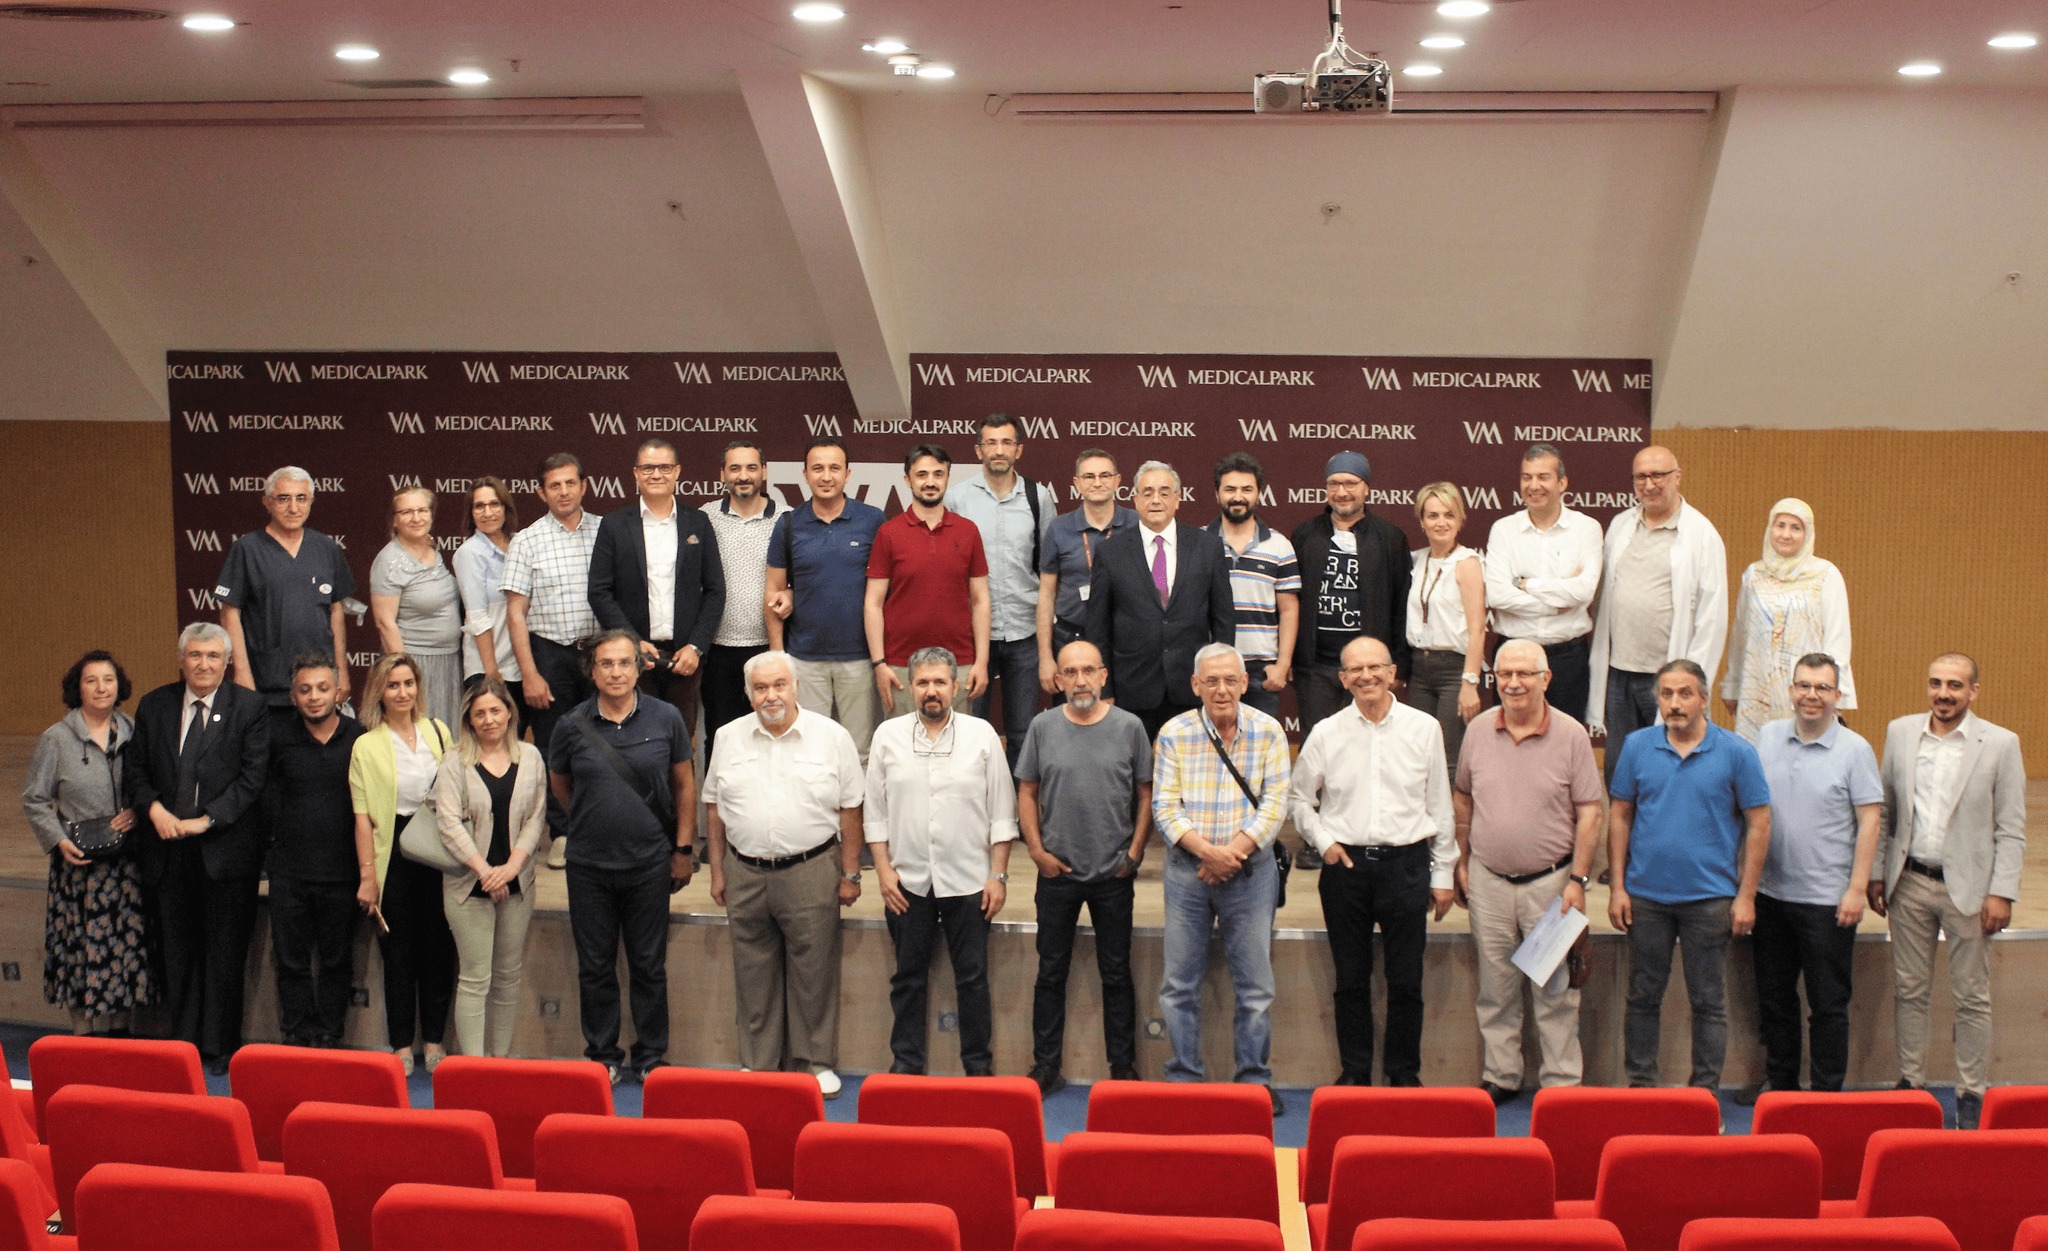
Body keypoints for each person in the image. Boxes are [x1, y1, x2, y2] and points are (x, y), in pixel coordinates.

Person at [1871, 653, 2026, 1130]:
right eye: (1936, 683)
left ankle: (1971, 1092)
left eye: (1955, 685)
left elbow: (2011, 828)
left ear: (1973, 691)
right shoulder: (1900, 732)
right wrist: (1878, 873)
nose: (1943, 693)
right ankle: (1911, 1086)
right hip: (1909, 883)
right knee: (1909, 989)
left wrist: (2001, 892)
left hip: (1972, 891)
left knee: (1972, 996)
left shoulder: (2000, 743)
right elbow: (1887, 811)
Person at [1292, 636, 1456, 1089]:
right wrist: (1324, 841)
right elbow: (1299, 799)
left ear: (1392, 673)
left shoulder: (1424, 728)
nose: (1366, 676)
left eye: (1375, 667)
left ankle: (1403, 1074)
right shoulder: (1326, 732)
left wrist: (1443, 872)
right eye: (1356, 670)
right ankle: (1355, 1072)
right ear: (1343, 679)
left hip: (1407, 866)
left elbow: (1439, 805)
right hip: (1346, 869)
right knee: (1350, 979)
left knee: (1406, 979)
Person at [704, 650, 864, 1098]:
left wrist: (851, 873)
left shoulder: (832, 737)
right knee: (752, 971)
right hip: (744, 871)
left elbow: (852, 808)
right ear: (748, 693)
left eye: (779, 685)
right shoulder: (727, 737)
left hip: (811, 869)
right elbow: (714, 808)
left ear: (796, 688)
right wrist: (717, 872)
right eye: (761, 688)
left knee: (814, 971)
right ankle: (758, 1062)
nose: (770, 696)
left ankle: (815, 1063)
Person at [1607, 659, 1770, 1089]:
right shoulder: (1637, 746)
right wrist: (1618, 888)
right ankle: (1641, 1090)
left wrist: (1746, 896)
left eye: (1684, 694)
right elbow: (1620, 815)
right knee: (1642, 998)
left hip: (1711, 899)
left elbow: (1759, 823)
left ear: (1703, 698)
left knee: (1709, 1003)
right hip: (1646, 898)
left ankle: (1705, 1097)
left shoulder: (1737, 752)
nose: (1674, 704)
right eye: (1666, 694)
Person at [1452, 640, 1603, 1102]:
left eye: (1524, 674)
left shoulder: (1571, 735)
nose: (1513, 683)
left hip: (1552, 884)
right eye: (1504, 674)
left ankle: (1562, 1084)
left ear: (1545, 679)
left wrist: (1578, 881)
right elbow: (1463, 797)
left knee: (1555, 991)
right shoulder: (1478, 730)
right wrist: (1462, 859)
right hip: (1489, 882)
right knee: (1495, 990)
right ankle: (1501, 1075)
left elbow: (1591, 812)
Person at [547, 629, 696, 1085]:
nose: (615, 672)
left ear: (640, 667)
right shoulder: (571, 725)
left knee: (648, 965)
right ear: (591, 671)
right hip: (588, 867)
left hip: (649, 863)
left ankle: (650, 1056)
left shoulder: (667, 718)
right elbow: (561, 786)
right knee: (595, 967)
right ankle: (603, 1055)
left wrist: (683, 849)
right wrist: (593, 819)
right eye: (605, 664)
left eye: (624, 662)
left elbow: (685, 786)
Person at [125, 623, 270, 1075]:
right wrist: (155, 811)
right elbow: (135, 770)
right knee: (178, 952)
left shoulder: (249, 707)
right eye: (195, 655)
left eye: (212, 656)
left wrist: (206, 820)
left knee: (225, 955)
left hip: (225, 851)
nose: (203, 664)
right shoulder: (154, 705)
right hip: (167, 850)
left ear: (227, 662)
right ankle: (184, 1044)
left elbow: (252, 779)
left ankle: (220, 1046)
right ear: (181, 660)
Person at [865, 649, 1017, 1076]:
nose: (931, 691)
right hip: (907, 881)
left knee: (972, 979)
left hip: (970, 881)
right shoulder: (888, 736)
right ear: (910, 687)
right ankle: (906, 1066)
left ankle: (978, 1068)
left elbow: (1002, 811)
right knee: (907, 979)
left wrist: (998, 875)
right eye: (922, 683)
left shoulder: (982, 735)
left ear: (956, 686)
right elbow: (874, 811)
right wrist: (883, 872)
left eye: (939, 682)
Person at [1152, 643, 1291, 1111]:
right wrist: (1208, 853)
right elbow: (1165, 808)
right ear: (1195, 685)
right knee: (1178, 985)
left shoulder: (1269, 731)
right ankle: (1184, 1080)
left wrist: (1232, 853)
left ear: (1245, 683)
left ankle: (1253, 1080)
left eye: (1230, 680)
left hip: (1250, 873)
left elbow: (1275, 805)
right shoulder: (1174, 733)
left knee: (1256, 988)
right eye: (1211, 681)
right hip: (1188, 872)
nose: (1221, 689)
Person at [1741, 653, 1880, 1103]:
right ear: (1791, 690)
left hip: (1827, 901)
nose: (1811, 695)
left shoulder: (1855, 750)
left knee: (1827, 1005)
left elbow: (1870, 821)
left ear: (1837, 695)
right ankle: (1781, 1086)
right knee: (1775, 998)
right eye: (1803, 685)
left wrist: (1857, 888)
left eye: (1822, 688)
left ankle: (1824, 1097)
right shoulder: (1768, 736)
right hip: (1771, 894)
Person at [1016, 639, 1152, 1094]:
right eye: (1070, 673)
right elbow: (1027, 792)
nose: (1080, 680)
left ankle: (1123, 1065)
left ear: (1103, 676)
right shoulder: (1042, 727)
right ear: (1058, 680)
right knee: (1050, 973)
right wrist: (1037, 852)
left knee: (1117, 972)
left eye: (1088, 670)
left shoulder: (1130, 727)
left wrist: (1134, 854)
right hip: (1057, 873)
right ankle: (1046, 1065)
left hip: (1114, 874)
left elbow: (1146, 795)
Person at [22, 650, 151, 1036]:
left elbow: (148, 783)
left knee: (125, 953)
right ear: (77, 688)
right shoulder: (56, 739)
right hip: (77, 866)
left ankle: (119, 1036)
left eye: (108, 680)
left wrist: (137, 812)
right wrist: (57, 840)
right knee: (79, 954)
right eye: (90, 680)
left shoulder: (134, 731)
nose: (100, 688)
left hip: (125, 866)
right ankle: (83, 1038)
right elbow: (34, 799)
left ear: (119, 685)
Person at [1587, 446, 1728, 782]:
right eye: (1641, 477)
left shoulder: (1702, 535)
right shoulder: (1620, 525)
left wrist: (1692, 681)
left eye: (1658, 475)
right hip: (1619, 672)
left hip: (1668, 679)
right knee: (1619, 772)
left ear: (1677, 477)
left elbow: (1712, 618)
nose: (1649, 484)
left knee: (1670, 771)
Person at [348, 652, 455, 1075]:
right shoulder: (366, 744)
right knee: (398, 954)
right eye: (393, 685)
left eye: (409, 683)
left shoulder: (439, 731)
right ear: (379, 691)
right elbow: (361, 817)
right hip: (391, 853)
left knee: (438, 950)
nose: (402, 692)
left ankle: (434, 1040)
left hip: (437, 850)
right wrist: (367, 876)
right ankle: (401, 1046)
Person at [432, 678, 546, 1059]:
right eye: (479, 713)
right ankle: (474, 1068)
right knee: (475, 979)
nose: (489, 719)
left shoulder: (531, 757)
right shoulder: (454, 760)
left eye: (495, 710)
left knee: (507, 978)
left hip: (518, 883)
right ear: (469, 719)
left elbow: (536, 817)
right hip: (468, 885)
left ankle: (500, 1063)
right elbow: (448, 824)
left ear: (510, 713)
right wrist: (485, 872)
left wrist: (511, 868)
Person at [590, 438, 727, 751]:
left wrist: (696, 646)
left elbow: (715, 590)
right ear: (636, 473)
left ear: (677, 471)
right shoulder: (614, 525)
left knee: (680, 747)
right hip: (634, 661)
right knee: (635, 746)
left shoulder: (697, 522)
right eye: (648, 467)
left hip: (684, 660)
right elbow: (599, 591)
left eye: (664, 467)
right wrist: (631, 643)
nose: (656, 474)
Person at [1083, 461, 1235, 738]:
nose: (1156, 500)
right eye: (1148, 492)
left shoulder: (1207, 546)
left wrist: (1219, 681)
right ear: (1135, 500)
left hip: (1193, 686)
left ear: (1177, 499)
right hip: (1132, 687)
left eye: (1164, 493)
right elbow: (1098, 628)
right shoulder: (1110, 552)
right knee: (1135, 765)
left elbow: (1223, 619)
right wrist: (1104, 688)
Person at [502, 452, 603, 868]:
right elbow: (515, 614)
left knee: (602, 741)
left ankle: (598, 829)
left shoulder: (607, 531)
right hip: (549, 654)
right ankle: (562, 833)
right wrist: (529, 673)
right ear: (541, 492)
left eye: (570, 483)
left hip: (599, 654)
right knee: (553, 745)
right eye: (554, 485)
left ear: (584, 485)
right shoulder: (527, 541)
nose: (563, 492)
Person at [945, 414, 1060, 771]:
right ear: (978, 449)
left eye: (1006, 442)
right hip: (970, 634)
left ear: (1018, 450)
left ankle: (1017, 803)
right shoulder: (957, 498)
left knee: (1023, 732)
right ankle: (974, 802)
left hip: (1025, 630)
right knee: (969, 730)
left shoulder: (1038, 497)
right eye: (991, 443)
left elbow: (1048, 567)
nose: (999, 450)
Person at [263, 654, 366, 1048]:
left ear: (338, 692)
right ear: (293, 696)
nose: (314, 696)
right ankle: (297, 1034)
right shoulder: (276, 738)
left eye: (323, 688)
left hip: (342, 872)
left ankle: (329, 1036)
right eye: (304, 690)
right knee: (290, 961)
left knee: (336, 960)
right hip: (288, 872)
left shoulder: (359, 738)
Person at [765, 437, 888, 763]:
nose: (826, 476)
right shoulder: (788, 524)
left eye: (834, 468)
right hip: (805, 660)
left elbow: (885, 589)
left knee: (860, 754)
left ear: (848, 474)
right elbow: (773, 593)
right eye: (817, 468)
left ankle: (857, 802)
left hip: (860, 659)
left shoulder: (872, 520)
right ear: (805, 474)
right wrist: (778, 658)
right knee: (809, 753)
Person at [1289, 451, 1412, 739]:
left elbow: (1401, 605)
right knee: (1317, 745)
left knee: (1368, 744)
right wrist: (1292, 660)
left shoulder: (1390, 537)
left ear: (1366, 488)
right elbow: (1290, 601)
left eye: (1350, 483)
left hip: (1368, 670)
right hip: (1316, 668)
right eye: (1334, 484)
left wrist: (1399, 665)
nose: (1341, 492)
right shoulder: (1305, 534)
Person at [216, 467, 354, 721]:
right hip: (266, 684)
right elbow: (229, 613)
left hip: (319, 686)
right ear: (267, 502)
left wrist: (341, 671)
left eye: (301, 498)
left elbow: (336, 611)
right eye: (283, 498)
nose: (293, 508)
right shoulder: (247, 549)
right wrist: (242, 673)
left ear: (311, 501)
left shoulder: (326, 548)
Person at [865, 445, 991, 717]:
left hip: (959, 664)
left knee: (956, 742)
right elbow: (873, 603)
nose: (930, 482)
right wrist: (879, 663)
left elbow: (981, 600)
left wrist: (981, 661)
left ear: (947, 478)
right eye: (921, 475)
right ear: (907, 480)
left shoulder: (968, 531)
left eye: (938, 474)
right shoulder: (889, 533)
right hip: (901, 666)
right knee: (903, 741)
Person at [1482, 444, 1603, 723]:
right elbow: (1498, 595)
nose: (1533, 485)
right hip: (1513, 656)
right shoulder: (1504, 529)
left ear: (1562, 483)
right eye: (1527, 477)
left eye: (1543, 477)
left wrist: (1526, 584)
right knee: (1509, 738)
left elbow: (1584, 591)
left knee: (1566, 740)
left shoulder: (1586, 528)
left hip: (1567, 659)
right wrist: (1558, 603)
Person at [1721, 499, 1856, 742]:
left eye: (1796, 528)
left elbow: (1838, 639)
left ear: (1808, 533)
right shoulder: (1754, 575)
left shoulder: (1825, 575)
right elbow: (1740, 634)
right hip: (1757, 689)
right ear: (1769, 529)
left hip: (1808, 693)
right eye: (1780, 525)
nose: (1786, 534)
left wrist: (1834, 693)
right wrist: (1732, 685)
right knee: (1755, 755)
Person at [699, 441, 781, 767]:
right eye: (734, 468)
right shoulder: (705, 517)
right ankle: (719, 802)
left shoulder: (786, 518)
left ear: (764, 471)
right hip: (718, 649)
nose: (743, 475)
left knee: (772, 735)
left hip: (768, 647)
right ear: (722, 474)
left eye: (751, 468)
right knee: (721, 736)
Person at [1204, 453, 1300, 719]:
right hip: (1211, 666)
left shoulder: (1279, 545)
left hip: (1261, 672)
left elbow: (1289, 609)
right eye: (1230, 489)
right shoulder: (1198, 542)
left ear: (1259, 493)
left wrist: (1282, 665)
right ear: (1217, 493)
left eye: (1247, 489)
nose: (1238, 497)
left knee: (1261, 744)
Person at [1036, 449, 1137, 696]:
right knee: (1073, 714)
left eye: (1105, 475)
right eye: (1089, 476)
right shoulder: (1059, 528)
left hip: (1123, 640)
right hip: (1071, 638)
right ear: (1077, 483)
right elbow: (1046, 596)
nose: (1097, 482)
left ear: (1117, 480)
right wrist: (1046, 657)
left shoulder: (1136, 524)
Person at [1405, 482, 1487, 778]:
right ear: (1422, 521)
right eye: (1433, 515)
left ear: (1461, 519)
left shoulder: (1467, 563)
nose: (1441, 523)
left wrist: (1470, 682)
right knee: (1419, 757)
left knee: (1450, 760)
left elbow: (1478, 629)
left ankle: (1452, 812)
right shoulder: (1415, 560)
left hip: (1455, 671)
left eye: (1449, 515)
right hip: (1419, 669)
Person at [370, 486, 464, 731]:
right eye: (407, 512)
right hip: (416, 663)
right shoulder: (389, 561)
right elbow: (385, 623)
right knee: (420, 736)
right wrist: (407, 675)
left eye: (422, 510)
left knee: (446, 737)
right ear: (394, 520)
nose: (416, 517)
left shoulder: (432, 548)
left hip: (448, 662)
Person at [453, 477, 523, 706]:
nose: (488, 512)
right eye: (479, 506)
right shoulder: (469, 553)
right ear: (471, 513)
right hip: (489, 670)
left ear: (505, 507)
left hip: (522, 667)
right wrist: (492, 671)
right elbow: (477, 617)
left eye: (494, 504)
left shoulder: (520, 544)